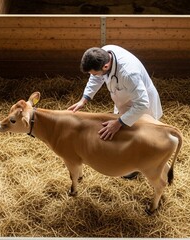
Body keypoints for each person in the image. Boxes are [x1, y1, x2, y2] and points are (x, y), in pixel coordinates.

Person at [68, 45, 163, 179]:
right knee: (127, 135)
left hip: (141, 104)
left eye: (94, 72)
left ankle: (145, 166)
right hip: (123, 98)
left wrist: (118, 122)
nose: (93, 75)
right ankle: (130, 164)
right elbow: (95, 77)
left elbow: (142, 103)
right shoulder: (104, 53)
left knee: (143, 136)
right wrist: (84, 99)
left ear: (106, 67)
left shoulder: (129, 74)